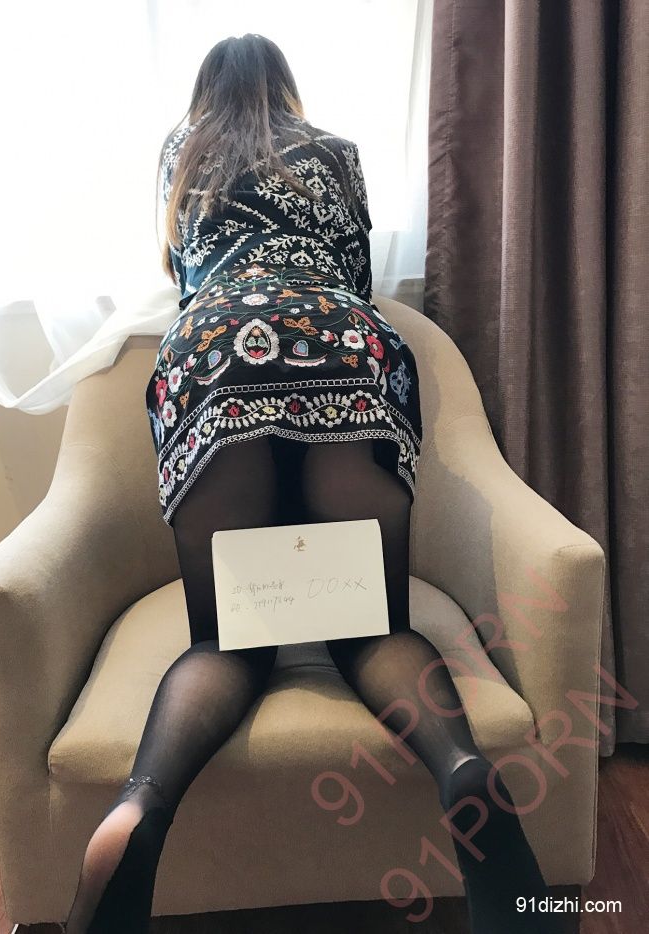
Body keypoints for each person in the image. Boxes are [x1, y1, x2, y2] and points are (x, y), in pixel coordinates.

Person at [63, 33, 561, 934]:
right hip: (340, 346)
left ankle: (141, 804)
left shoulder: (184, 151)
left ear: (206, 92)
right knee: (369, 625)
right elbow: (357, 275)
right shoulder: (336, 151)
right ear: (286, 89)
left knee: (233, 641)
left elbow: (183, 276)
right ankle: (462, 772)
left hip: (217, 358)